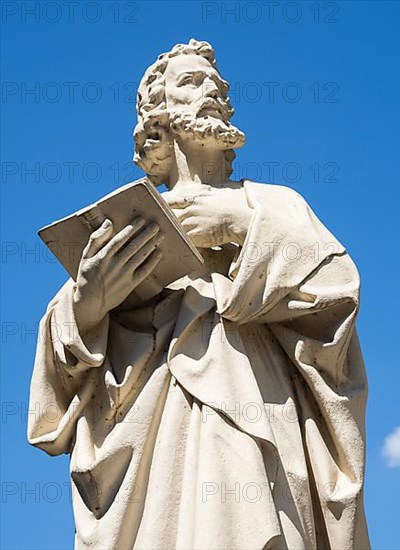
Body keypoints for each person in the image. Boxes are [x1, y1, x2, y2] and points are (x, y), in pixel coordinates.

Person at [28, 39, 370, 550]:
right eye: (190, 82)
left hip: (257, 411)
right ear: (157, 118)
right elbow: (56, 379)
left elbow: (337, 289)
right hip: (153, 441)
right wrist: (89, 302)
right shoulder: (131, 222)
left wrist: (241, 226)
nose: (212, 88)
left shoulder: (271, 204)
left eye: (218, 84)